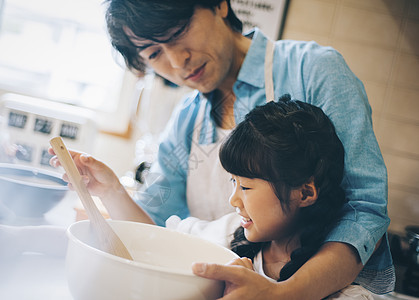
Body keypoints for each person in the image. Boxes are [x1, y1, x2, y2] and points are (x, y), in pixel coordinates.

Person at [49, 0, 394, 298]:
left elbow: (364, 211)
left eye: (177, 33)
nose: (177, 62)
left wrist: (284, 295)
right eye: (154, 53)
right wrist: (108, 190)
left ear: (219, 5)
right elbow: (154, 237)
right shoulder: (186, 121)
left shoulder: (313, 70)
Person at [190, 95, 374, 299]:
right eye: (233, 181)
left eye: (246, 187)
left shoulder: (345, 295)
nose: (233, 200)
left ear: (305, 193)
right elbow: (174, 234)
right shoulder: (229, 231)